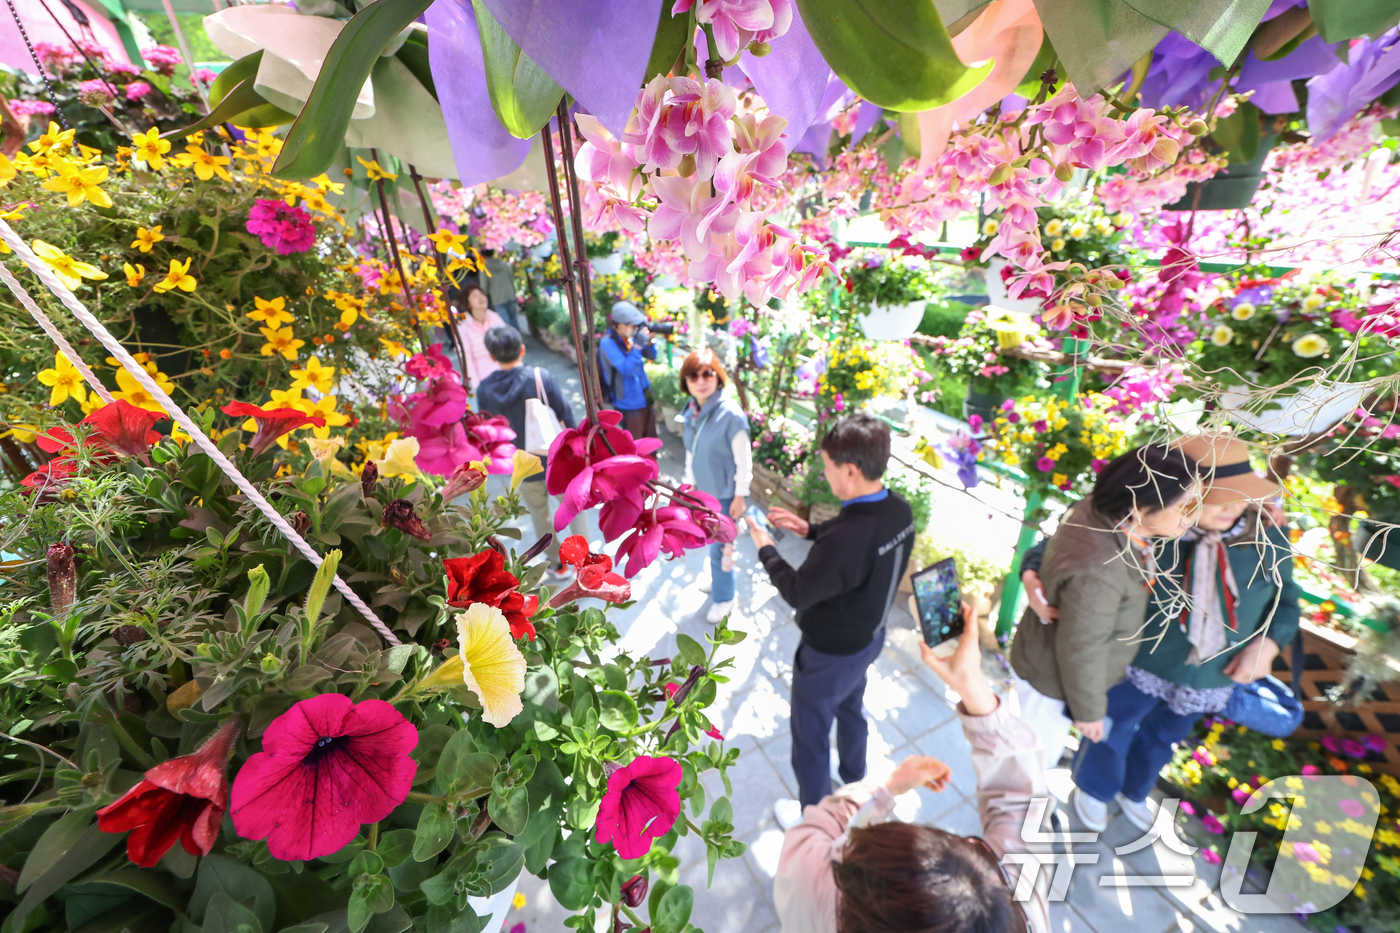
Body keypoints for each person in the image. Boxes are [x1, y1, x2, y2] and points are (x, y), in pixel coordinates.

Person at [1052, 434, 1299, 832]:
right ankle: (1094, 787)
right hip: (1139, 660)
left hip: (1211, 673)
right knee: (1111, 730)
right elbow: (1075, 551)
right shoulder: (1150, 528)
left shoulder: (1267, 535)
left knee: (1161, 740)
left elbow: (1287, 601)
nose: (1230, 507)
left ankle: (1135, 789)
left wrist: (1268, 645)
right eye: (1215, 496)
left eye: (1239, 495)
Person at [774, 604, 1050, 933]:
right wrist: (973, 688)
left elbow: (814, 831)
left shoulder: (815, 891)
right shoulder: (1017, 908)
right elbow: (1022, 802)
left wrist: (885, 789)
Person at [748, 412, 916, 825]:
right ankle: (855, 783)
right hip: (868, 639)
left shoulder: (847, 538)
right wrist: (809, 531)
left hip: (829, 654)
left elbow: (798, 589)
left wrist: (766, 547)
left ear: (851, 470)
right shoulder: (898, 511)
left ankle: (816, 820)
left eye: (826, 466)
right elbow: (857, 542)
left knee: (810, 735)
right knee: (851, 708)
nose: (823, 473)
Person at [1008, 444, 1198, 785]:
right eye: (1185, 505)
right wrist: (1090, 713)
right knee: (1028, 767)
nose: (1192, 515)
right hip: (1050, 679)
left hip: (1042, 661)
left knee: (1029, 747)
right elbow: (1083, 647)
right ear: (1140, 505)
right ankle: (1013, 825)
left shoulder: (1098, 511)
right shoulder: (1101, 567)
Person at [475, 325, 583, 574]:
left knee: (539, 513)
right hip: (557, 461)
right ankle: (583, 559)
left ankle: (558, 564)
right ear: (522, 349)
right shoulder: (539, 377)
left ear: (492, 356)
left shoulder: (484, 389)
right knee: (573, 508)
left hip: (521, 465)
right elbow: (566, 414)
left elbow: (487, 430)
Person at [679, 347, 751, 623]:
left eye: (707, 373)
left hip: (724, 495)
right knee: (713, 544)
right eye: (693, 375)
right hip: (702, 494)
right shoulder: (692, 411)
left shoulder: (730, 415)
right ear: (685, 381)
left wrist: (740, 496)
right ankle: (719, 583)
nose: (700, 380)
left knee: (723, 548)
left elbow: (744, 461)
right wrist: (689, 486)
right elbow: (691, 451)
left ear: (718, 377)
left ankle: (725, 598)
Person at [598, 301, 659, 441]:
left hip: (645, 397)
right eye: (633, 325)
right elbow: (627, 369)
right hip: (628, 403)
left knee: (651, 441)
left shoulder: (630, 338)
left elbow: (652, 356)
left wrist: (649, 343)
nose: (636, 328)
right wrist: (638, 345)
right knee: (636, 445)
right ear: (620, 325)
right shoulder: (607, 343)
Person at [455, 284, 505, 393]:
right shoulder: (462, 326)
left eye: (482, 294)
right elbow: (466, 358)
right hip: (484, 379)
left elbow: (508, 344)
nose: (481, 297)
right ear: (468, 303)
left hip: (505, 373)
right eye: (474, 295)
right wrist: (478, 386)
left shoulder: (495, 317)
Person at [478, 248, 520, 330]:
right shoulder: (503, 263)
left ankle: (510, 342)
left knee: (505, 323)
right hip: (510, 294)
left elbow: (484, 287)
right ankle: (519, 341)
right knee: (514, 320)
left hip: (498, 298)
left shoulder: (484, 267)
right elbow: (512, 278)